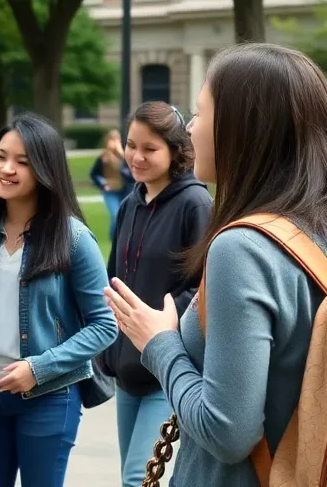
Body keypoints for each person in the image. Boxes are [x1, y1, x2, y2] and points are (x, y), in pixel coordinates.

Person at [105, 43, 327, 487]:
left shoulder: (242, 249)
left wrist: (161, 343)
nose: (190, 128)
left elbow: (227, 432)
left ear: (242, 128)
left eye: (199, 112)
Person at [0, 114, 118, 487]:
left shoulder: (74, 239)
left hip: (48, 398)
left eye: (22, 162)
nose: (7, 169)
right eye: (1, 156)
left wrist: (39, 368)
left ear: (45, 169)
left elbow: (106, 324)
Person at [105, 103, 211, 487]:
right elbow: (113, 275)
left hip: (166, 370)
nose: (136, 156)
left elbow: (204, 290)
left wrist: (156, 323)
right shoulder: (130, 203)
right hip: (126, 370)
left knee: (139, 478)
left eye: (149, 149)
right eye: (131, 145)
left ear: (175, 151)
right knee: (131, 477)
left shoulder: (195, 204)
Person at [89, 129, 133, 238]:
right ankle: (113, 237)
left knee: (125, 214)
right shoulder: (103, 157)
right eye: (112, 139)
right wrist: (102, 184)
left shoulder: (125, 156)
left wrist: (122, 157)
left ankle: (120, 235)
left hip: (124, 190)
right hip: (110, 191)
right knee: (115, 214)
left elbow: (132, 174)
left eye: (116, 139)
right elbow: (94, 174)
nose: (114, 142)